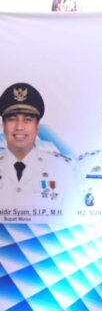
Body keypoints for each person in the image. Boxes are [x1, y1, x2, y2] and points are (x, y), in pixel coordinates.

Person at [0, 82, 75, 214]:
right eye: (12, 119)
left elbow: (72, 219)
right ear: (3, 125)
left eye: (27, 119)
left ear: (37, 125)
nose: (19, 127)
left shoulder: (62, 169)